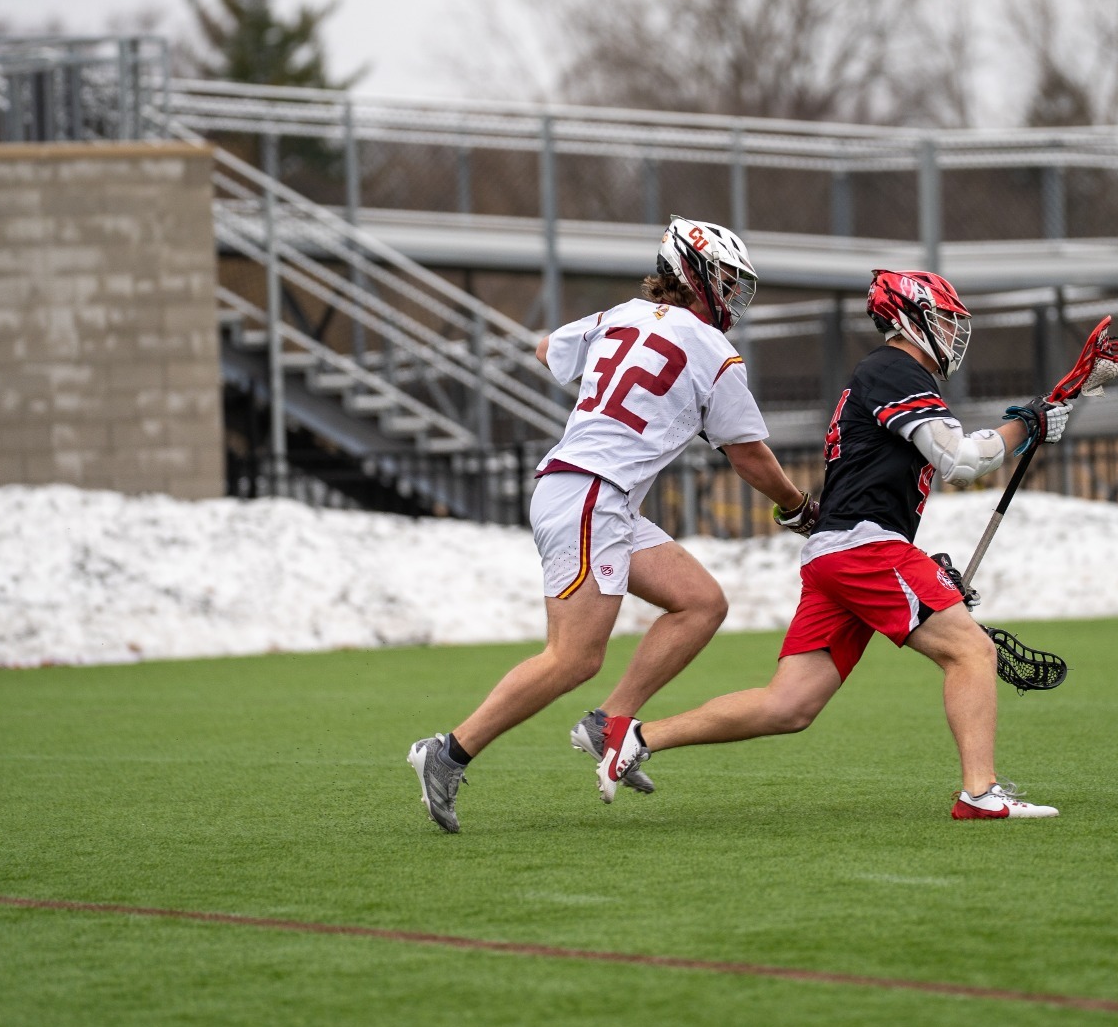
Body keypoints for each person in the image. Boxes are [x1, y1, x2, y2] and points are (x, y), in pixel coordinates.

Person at [585, 269, 1075, 819]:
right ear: (908, 319)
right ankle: (980, 794)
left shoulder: (887, 375)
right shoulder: (895, 368)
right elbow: (959, 460)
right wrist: (1023, 426)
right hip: (863, 550)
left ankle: (634, 738)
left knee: (789, 704)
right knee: (970, 651)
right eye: (941, 318)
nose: (953, 332)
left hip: (839, 552)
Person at [406, 216, 817, 831]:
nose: (733, 297)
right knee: (573, 657)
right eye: (726, 282)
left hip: (598, 494)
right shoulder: (713, 349)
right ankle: (448, 752)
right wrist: (798, 505)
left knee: (700, 602)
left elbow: (547, 349)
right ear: (694, 277)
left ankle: (608, 725)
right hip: (590, 496)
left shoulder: (620, 315)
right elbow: (750, 455)